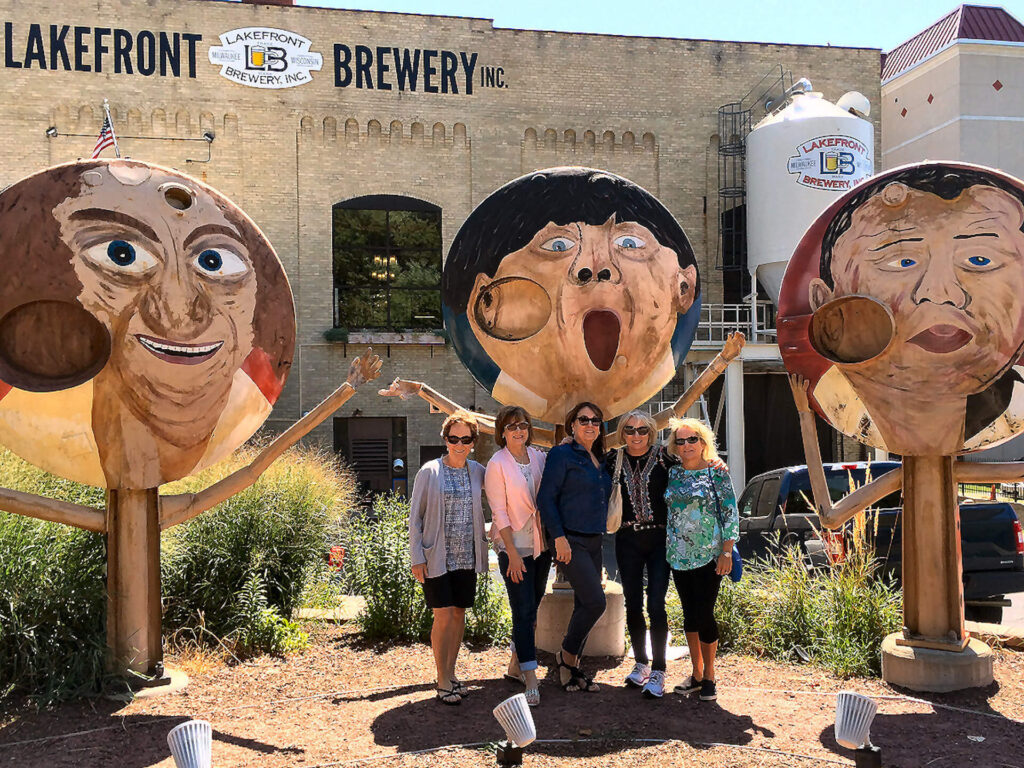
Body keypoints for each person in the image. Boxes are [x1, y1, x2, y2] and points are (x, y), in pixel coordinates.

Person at [408, 411, 488, 706]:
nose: (459, 444)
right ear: (445, 439)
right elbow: (414, 518)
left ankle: (452, 674)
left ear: (473, 442)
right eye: (453, 438)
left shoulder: (478, 471)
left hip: (466, 556)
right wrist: (417, 557)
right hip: (436, 557)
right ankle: (442, 679)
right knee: (442, 616)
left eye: (465, 439)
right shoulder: (430, 472)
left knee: (458, 615)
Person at [537, 401, 612, 692]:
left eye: (595, 420)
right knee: (596, 602)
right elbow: (546, 498)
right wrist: (558, 538)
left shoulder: (603, 458)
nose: (590, 424)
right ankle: (566, 656)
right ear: (572, 424)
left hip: (595, 539)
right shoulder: (561, 454)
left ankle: (573, 668)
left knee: (585, 602)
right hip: (569, 540)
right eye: (583, 420)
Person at [663, 417, 738, 703]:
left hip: (710, 556)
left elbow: (730, 513)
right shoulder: (673, 474)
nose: (686, 445)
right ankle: (695, 673)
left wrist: (727, 551)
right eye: (680, 441)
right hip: (678, 557)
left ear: (703, 442)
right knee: (689, 614)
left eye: (692, 439)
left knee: (705, 613)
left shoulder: (716, 473)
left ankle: (710, 675)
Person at [484, 405, 552, 707]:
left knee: (532, 610)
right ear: (502, 431)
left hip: (540, 547)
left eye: (523, 424)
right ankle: (531, 676)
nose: (518, 430)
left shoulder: (538, 457)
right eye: (511, 426)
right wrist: (510, 553)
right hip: (515, 550)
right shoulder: (497, 463)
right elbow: (498, 512)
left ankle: (515, 665)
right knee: (523, 611)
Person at [605, 409, 674, 699]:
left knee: (656, 603)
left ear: (651, 432)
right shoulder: (614, 460)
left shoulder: (665, 458)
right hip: (628, 539)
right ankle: (641, 663)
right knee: (632, 603)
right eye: (630, 430)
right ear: (622, 432)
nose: (636, 435)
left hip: (659, 539)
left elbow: (694, 467)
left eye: (642, 430)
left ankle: (659, 669)